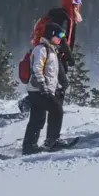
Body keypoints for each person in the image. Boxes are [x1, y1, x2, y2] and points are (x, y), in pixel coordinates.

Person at [19, 0, 83, 113]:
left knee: (55, 83)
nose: (78, 6)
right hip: (54, 55)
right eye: (75, 3)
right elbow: (62, 39)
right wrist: (69, 57)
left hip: (55, 55)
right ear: (69, 4)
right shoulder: (63, 18)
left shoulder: (67, 18)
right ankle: (54, 109)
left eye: (79, 3)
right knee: (62, 84)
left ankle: (30, 104)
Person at [22, 23, 71, 154]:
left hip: (41, 90)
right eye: (59, 35)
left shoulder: (53, 51)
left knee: (38, 118)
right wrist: (43, 85)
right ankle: (52, 141)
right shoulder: (41, 49)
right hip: (38, 90)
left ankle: (29, 146)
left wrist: (59, 86)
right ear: (52, 35)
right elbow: (37, 69)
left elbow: (52, 74)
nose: (61, 38)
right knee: (57, 110)